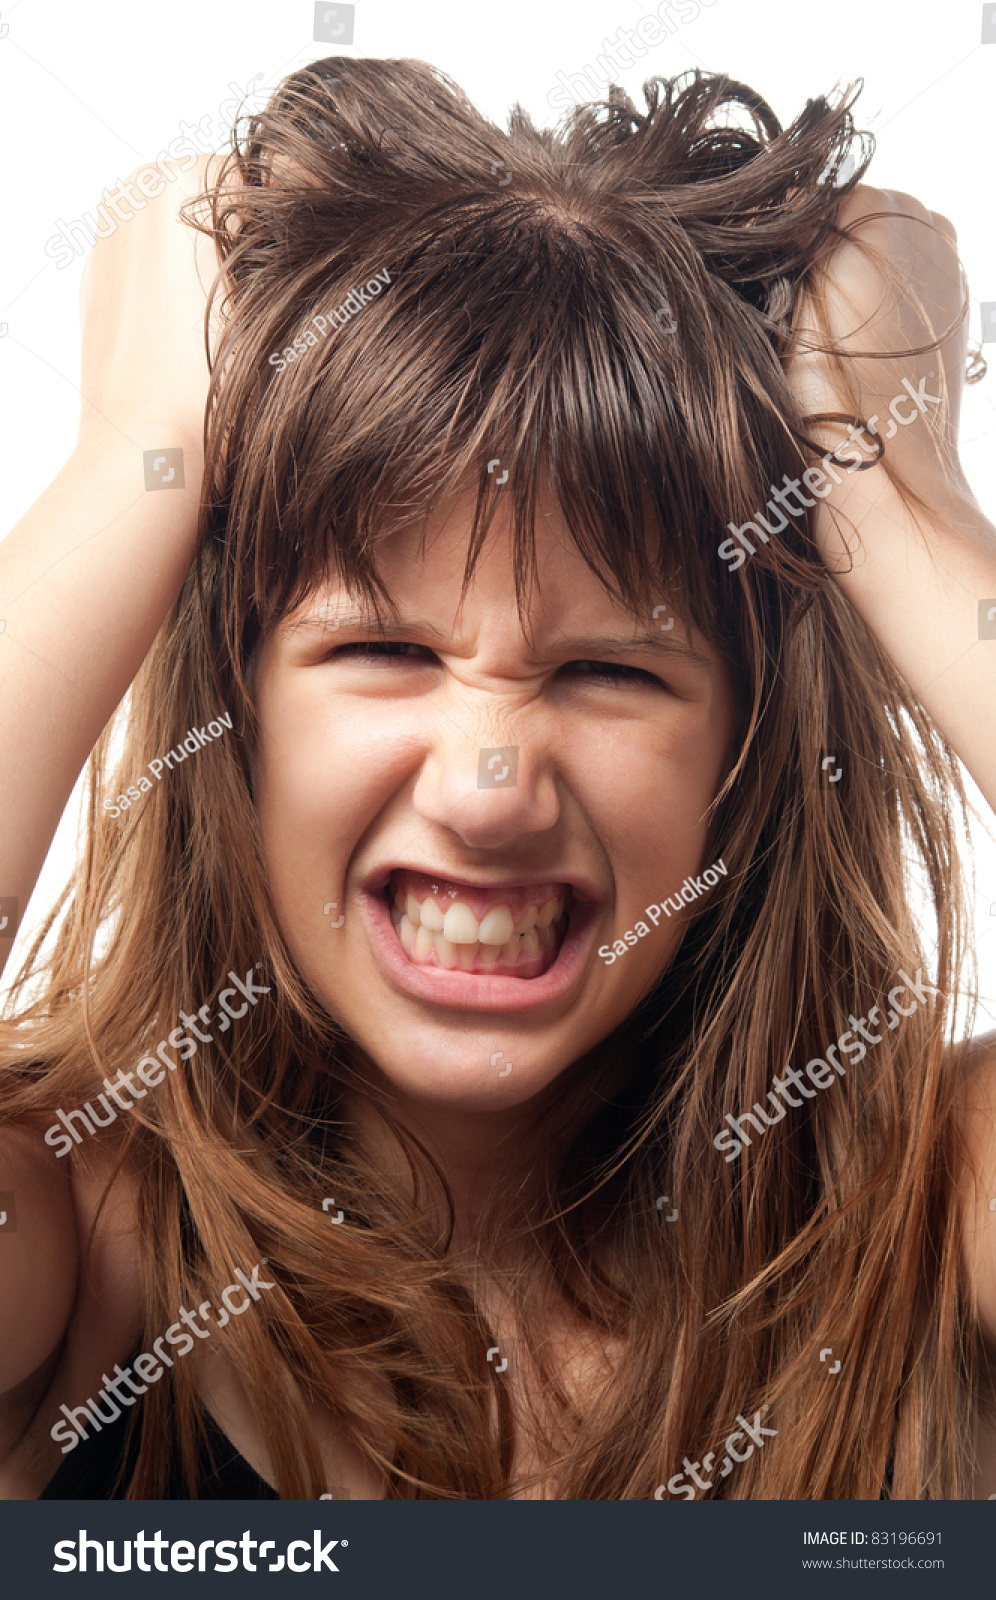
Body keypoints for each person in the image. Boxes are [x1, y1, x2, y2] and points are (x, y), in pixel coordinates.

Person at [1, 56, 994, 1501]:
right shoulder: (75, 1246)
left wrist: (890, 498)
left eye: (611, 672)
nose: (487, 786)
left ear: (749, 753)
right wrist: (137, 458)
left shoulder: (943, 1208)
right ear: (241, 720)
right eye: (386, 648)